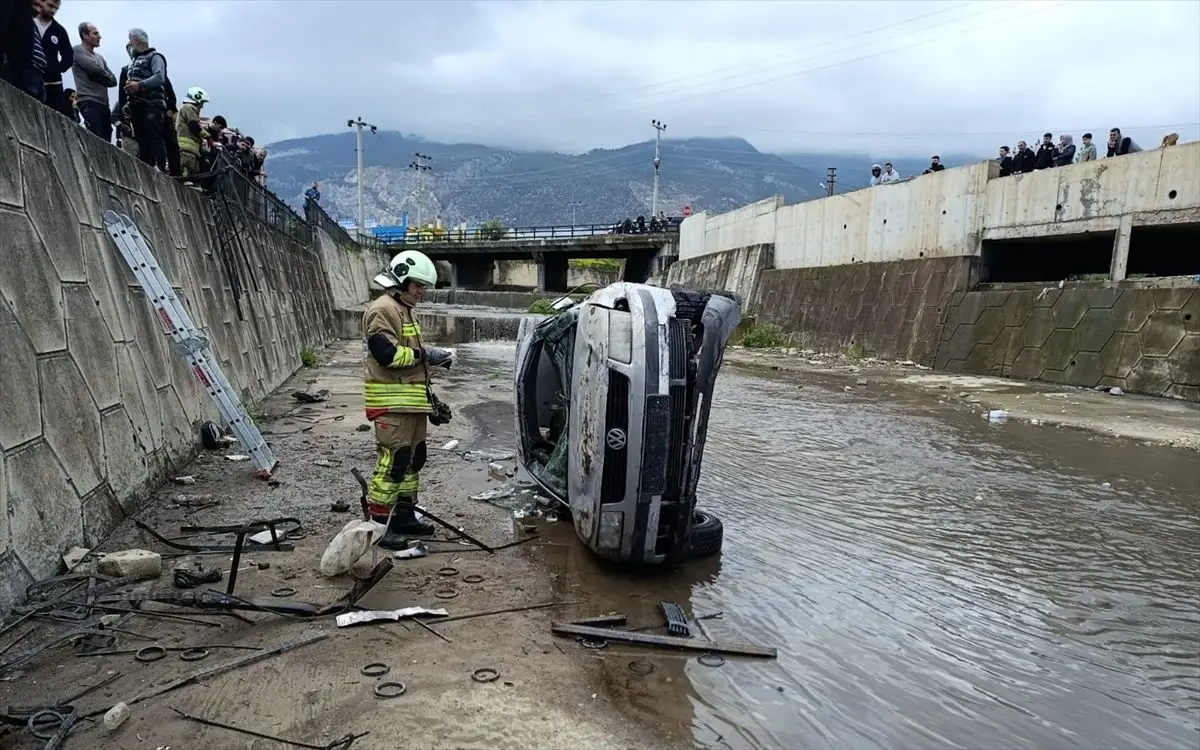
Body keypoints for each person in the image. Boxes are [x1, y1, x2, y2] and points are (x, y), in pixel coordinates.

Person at [361, 250, 455, 550]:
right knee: (394, 462)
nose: (421, 292)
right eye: (418, 286)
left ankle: (403, 515)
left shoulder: (402, 309)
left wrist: (432, 391)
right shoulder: (382, 310)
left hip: (411, 404)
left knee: (415, 459)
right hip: (391, 405)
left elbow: (411, 360)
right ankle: (378, 524)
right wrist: (428, 355)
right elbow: (386, 355)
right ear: (401, 280)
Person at [123, 28, 169, 170]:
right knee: (141, 138)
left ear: (135, 40)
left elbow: (159, 77)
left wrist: (140, 85)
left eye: (130, 40)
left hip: (152, 104)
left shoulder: (155, 57)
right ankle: (147, 168)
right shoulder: (133, 62)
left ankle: (161, 168)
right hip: (136, 104)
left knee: (154, 137)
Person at [72, 21, 117, 142]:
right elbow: (95, 69)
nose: (99, 36)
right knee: (95, 138)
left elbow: (113, 81)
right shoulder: (77, 51)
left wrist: (99, 74)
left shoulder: (100, 57)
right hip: (89, 101)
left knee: (107, 137)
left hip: (104, 103)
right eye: (95, 33)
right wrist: (101, 75)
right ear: (85, 35)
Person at [33, 0, 72, 116]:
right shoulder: (28, 22)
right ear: (41, 3)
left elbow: (68, 56)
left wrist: (57, 69)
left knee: (53, 115)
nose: (53, 10)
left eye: (56, 8)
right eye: (50, 6)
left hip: (53, 83)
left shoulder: (59, 30)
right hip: (30, 74)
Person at [175, 86, 208, 178]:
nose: (201, 106)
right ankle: (185, 178)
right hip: (186, 144)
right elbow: (194, 126)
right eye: (202, 102)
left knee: (191, 165)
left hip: (190, 146)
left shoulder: (187, 108)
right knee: (186, 164)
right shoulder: (190, 108)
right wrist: (207, 136)